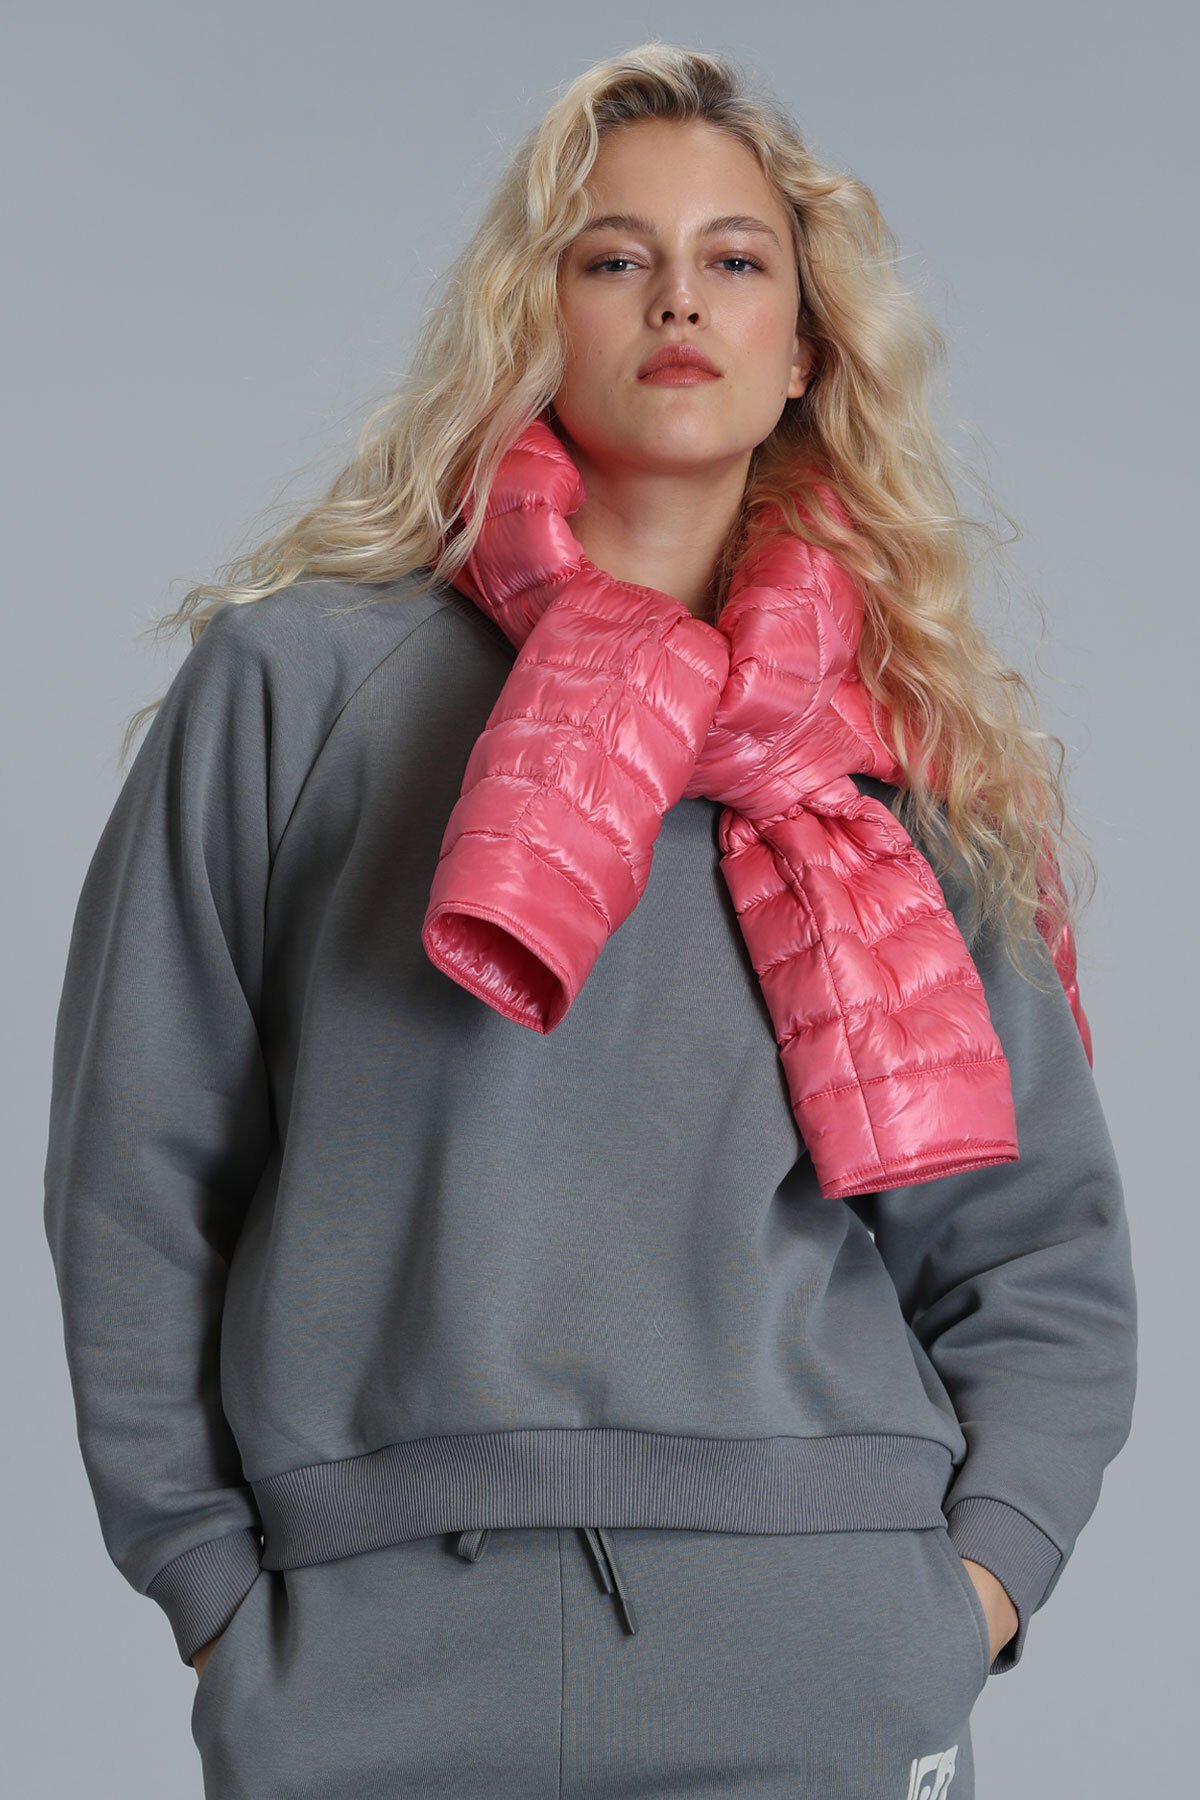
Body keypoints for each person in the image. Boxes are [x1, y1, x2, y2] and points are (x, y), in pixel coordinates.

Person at [42, 40, 1137, 1800]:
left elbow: (1037, 1254)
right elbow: (136, 1177)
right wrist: (209, 1592)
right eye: (615, 255)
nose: (678, 299)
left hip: (829, 1654)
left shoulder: (887, 753)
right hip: (372, 1663)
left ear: (805, 349)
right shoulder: (295, 688)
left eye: (736, 259)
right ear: (532, 316)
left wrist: (966, 1599)